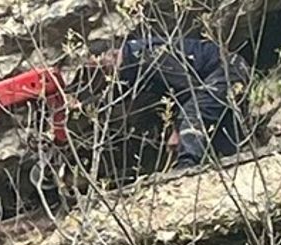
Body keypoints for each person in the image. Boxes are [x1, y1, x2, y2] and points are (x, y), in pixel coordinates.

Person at [91, 35, 251, 169]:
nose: (100, 73)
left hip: (228, 68)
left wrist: (177, 131)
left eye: (101, 66)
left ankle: (187, 168)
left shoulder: (146, 56)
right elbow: (173, 94)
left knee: (194, 113)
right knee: (215, 128)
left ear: (110, 54)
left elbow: (188, 88)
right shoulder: (134, 71)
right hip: (218, 75)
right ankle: (232, 158)